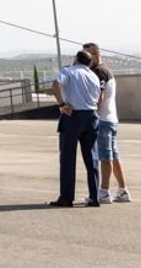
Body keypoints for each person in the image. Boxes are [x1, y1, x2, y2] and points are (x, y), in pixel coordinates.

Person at [49, 49, 102, 207]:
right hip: (91, 116)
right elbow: (99, 96)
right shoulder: (93, 75)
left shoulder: (69, 71)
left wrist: (62, 104)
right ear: (90, 62)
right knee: (92, 158)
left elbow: (56, 84)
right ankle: (95, 196)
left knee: (67, 158)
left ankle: (66, 197)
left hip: (73, 115)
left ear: (76, 59)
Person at [86, 49, 131, 204]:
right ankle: (123, 190)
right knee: (113, 156)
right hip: (111, 119)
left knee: (104, 157)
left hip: (103, 120)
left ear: (95, 55)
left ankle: (103, 193)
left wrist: (92, 112)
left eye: (87, 55)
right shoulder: (106, 70)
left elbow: (100, 95)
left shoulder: (99, 72)